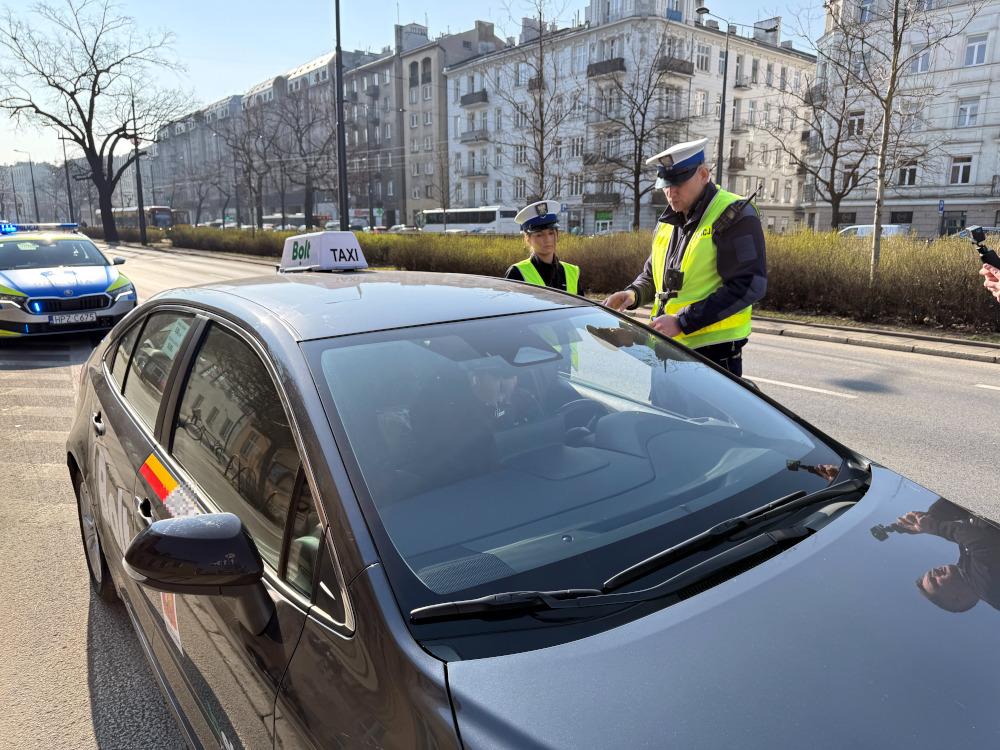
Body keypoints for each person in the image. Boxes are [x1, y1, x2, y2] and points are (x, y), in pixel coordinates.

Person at [602, 138, 767, 376]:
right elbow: (653, 275)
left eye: (679, 181)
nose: (671, 191)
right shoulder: (669, 220)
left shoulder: (734, 215)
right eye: (666, 184)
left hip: (712, 360)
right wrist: (632, 294)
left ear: (703, 174)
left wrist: (682, 321)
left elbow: (750, 284)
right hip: (666, 352)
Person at [894, 499, 1000, 613]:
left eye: (931, 573)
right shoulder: (988, 589)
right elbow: (983, 543)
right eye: (935, 582)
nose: (934, 570)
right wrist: (935, 527)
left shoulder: (968, 559)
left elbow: (967, 497)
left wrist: (932, 516)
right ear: (957, 600)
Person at [505, 199, 580, 294]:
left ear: (557, 235)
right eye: (539, 234)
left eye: (551, 233)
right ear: (527, 238)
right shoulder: (517, 273)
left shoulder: (572, 271)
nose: (547, 239)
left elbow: (582, 308)